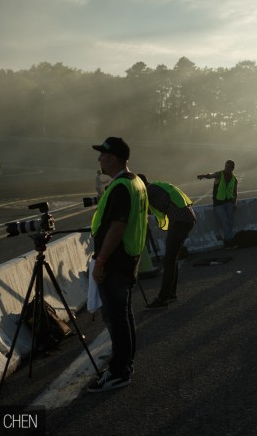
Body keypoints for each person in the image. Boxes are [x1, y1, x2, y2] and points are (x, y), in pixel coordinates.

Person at [88, 136, 148, 392]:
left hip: (116, 262)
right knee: (123, 316)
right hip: (130, 258)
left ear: (112, 158)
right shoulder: (136, 182)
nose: (99, 158)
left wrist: (100, 261)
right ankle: (124, 364)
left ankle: (119, 371)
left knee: (116, 318)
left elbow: (117, 226)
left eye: (102, 155)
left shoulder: (122, 186)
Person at [138, 175, 197, 310]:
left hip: (180, 222)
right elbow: (147, 209)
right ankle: (170, 294)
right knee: (171, 259)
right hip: (185, 220)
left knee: (169, 260)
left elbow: (138, 204)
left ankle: (163, 298)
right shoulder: (156, 187)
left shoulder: (149, 190)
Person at [197, 160, 238, 248]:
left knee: (230, 222)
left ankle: (229, 241)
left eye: (228, 167)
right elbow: (211, 175)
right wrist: (204, 175)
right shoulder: (220, 174)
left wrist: (235, 203)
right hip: (219, 204)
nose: (226, 168)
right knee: (225, 222)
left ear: (232, 168)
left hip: (229, 203)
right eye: (225, 166)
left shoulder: (234, 179)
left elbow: (235, 192)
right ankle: (228, 242)